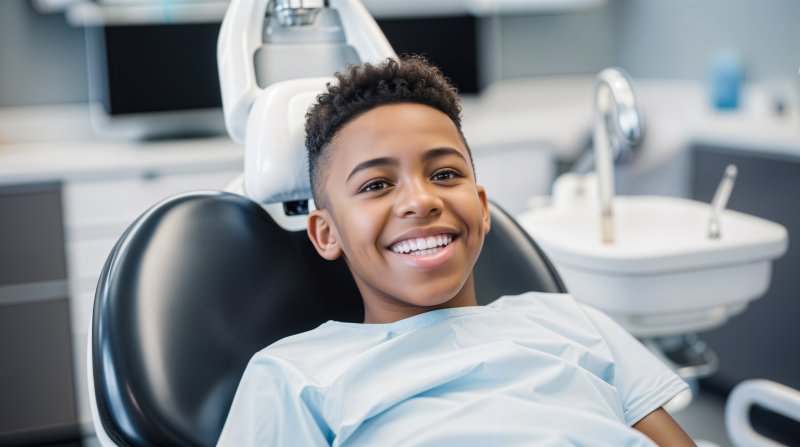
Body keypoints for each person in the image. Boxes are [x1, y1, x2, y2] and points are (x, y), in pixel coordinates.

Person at [217, 56, 696, 446]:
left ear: (482, 208)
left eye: (444, 174)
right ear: (327, 234)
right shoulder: (295, 377)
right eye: (377, 184)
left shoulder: (573, 323)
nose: (421, 200)